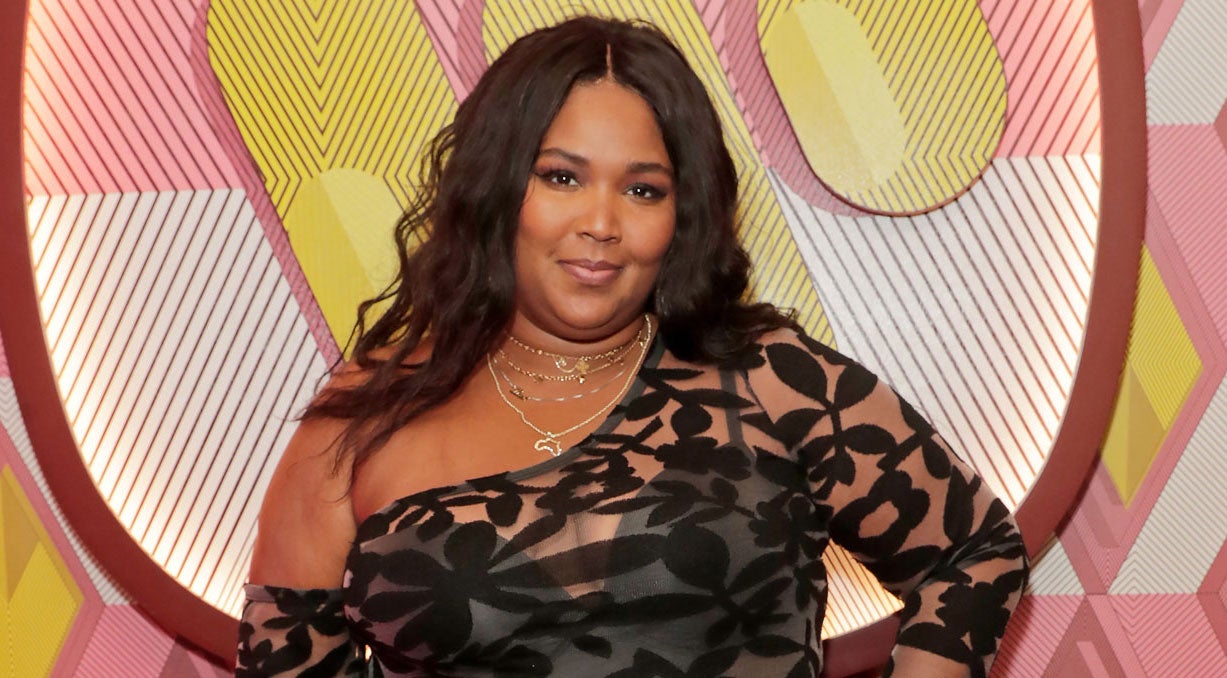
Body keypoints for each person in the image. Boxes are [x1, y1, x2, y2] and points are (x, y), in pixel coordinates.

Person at [237, 15, 1027, 678]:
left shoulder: (767, 378)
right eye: (561, 177)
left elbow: (974, 553)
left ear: (682, 216)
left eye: (643, 189)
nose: (601, 223)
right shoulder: (365, 417)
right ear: (495, 185)